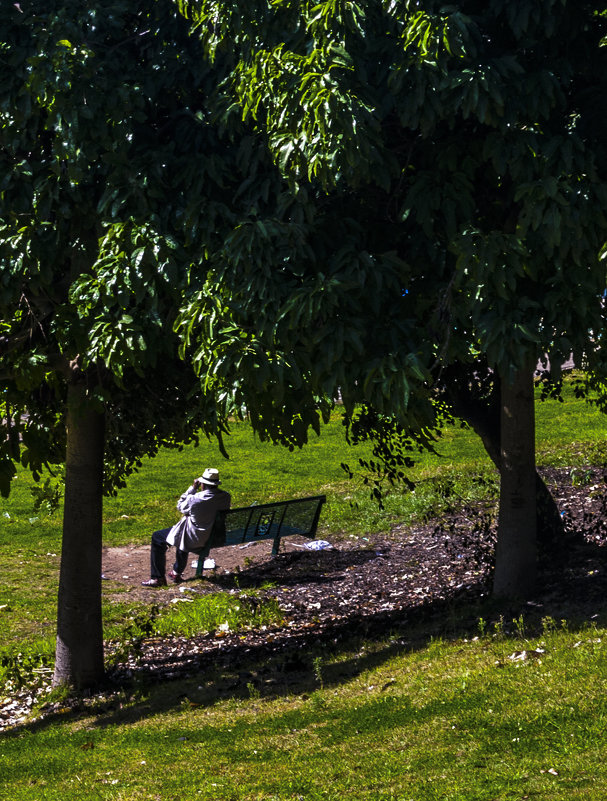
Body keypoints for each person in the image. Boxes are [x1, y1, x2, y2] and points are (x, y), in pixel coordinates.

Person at [141, 467, 231, 587]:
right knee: (183, 531)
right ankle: (176, 572)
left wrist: (193, 488)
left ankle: (157, 578)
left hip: (196, 538)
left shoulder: (196, 499)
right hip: (215, 536)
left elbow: (180, 506)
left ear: (203, 484)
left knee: (158, 537)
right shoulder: (225, 496)